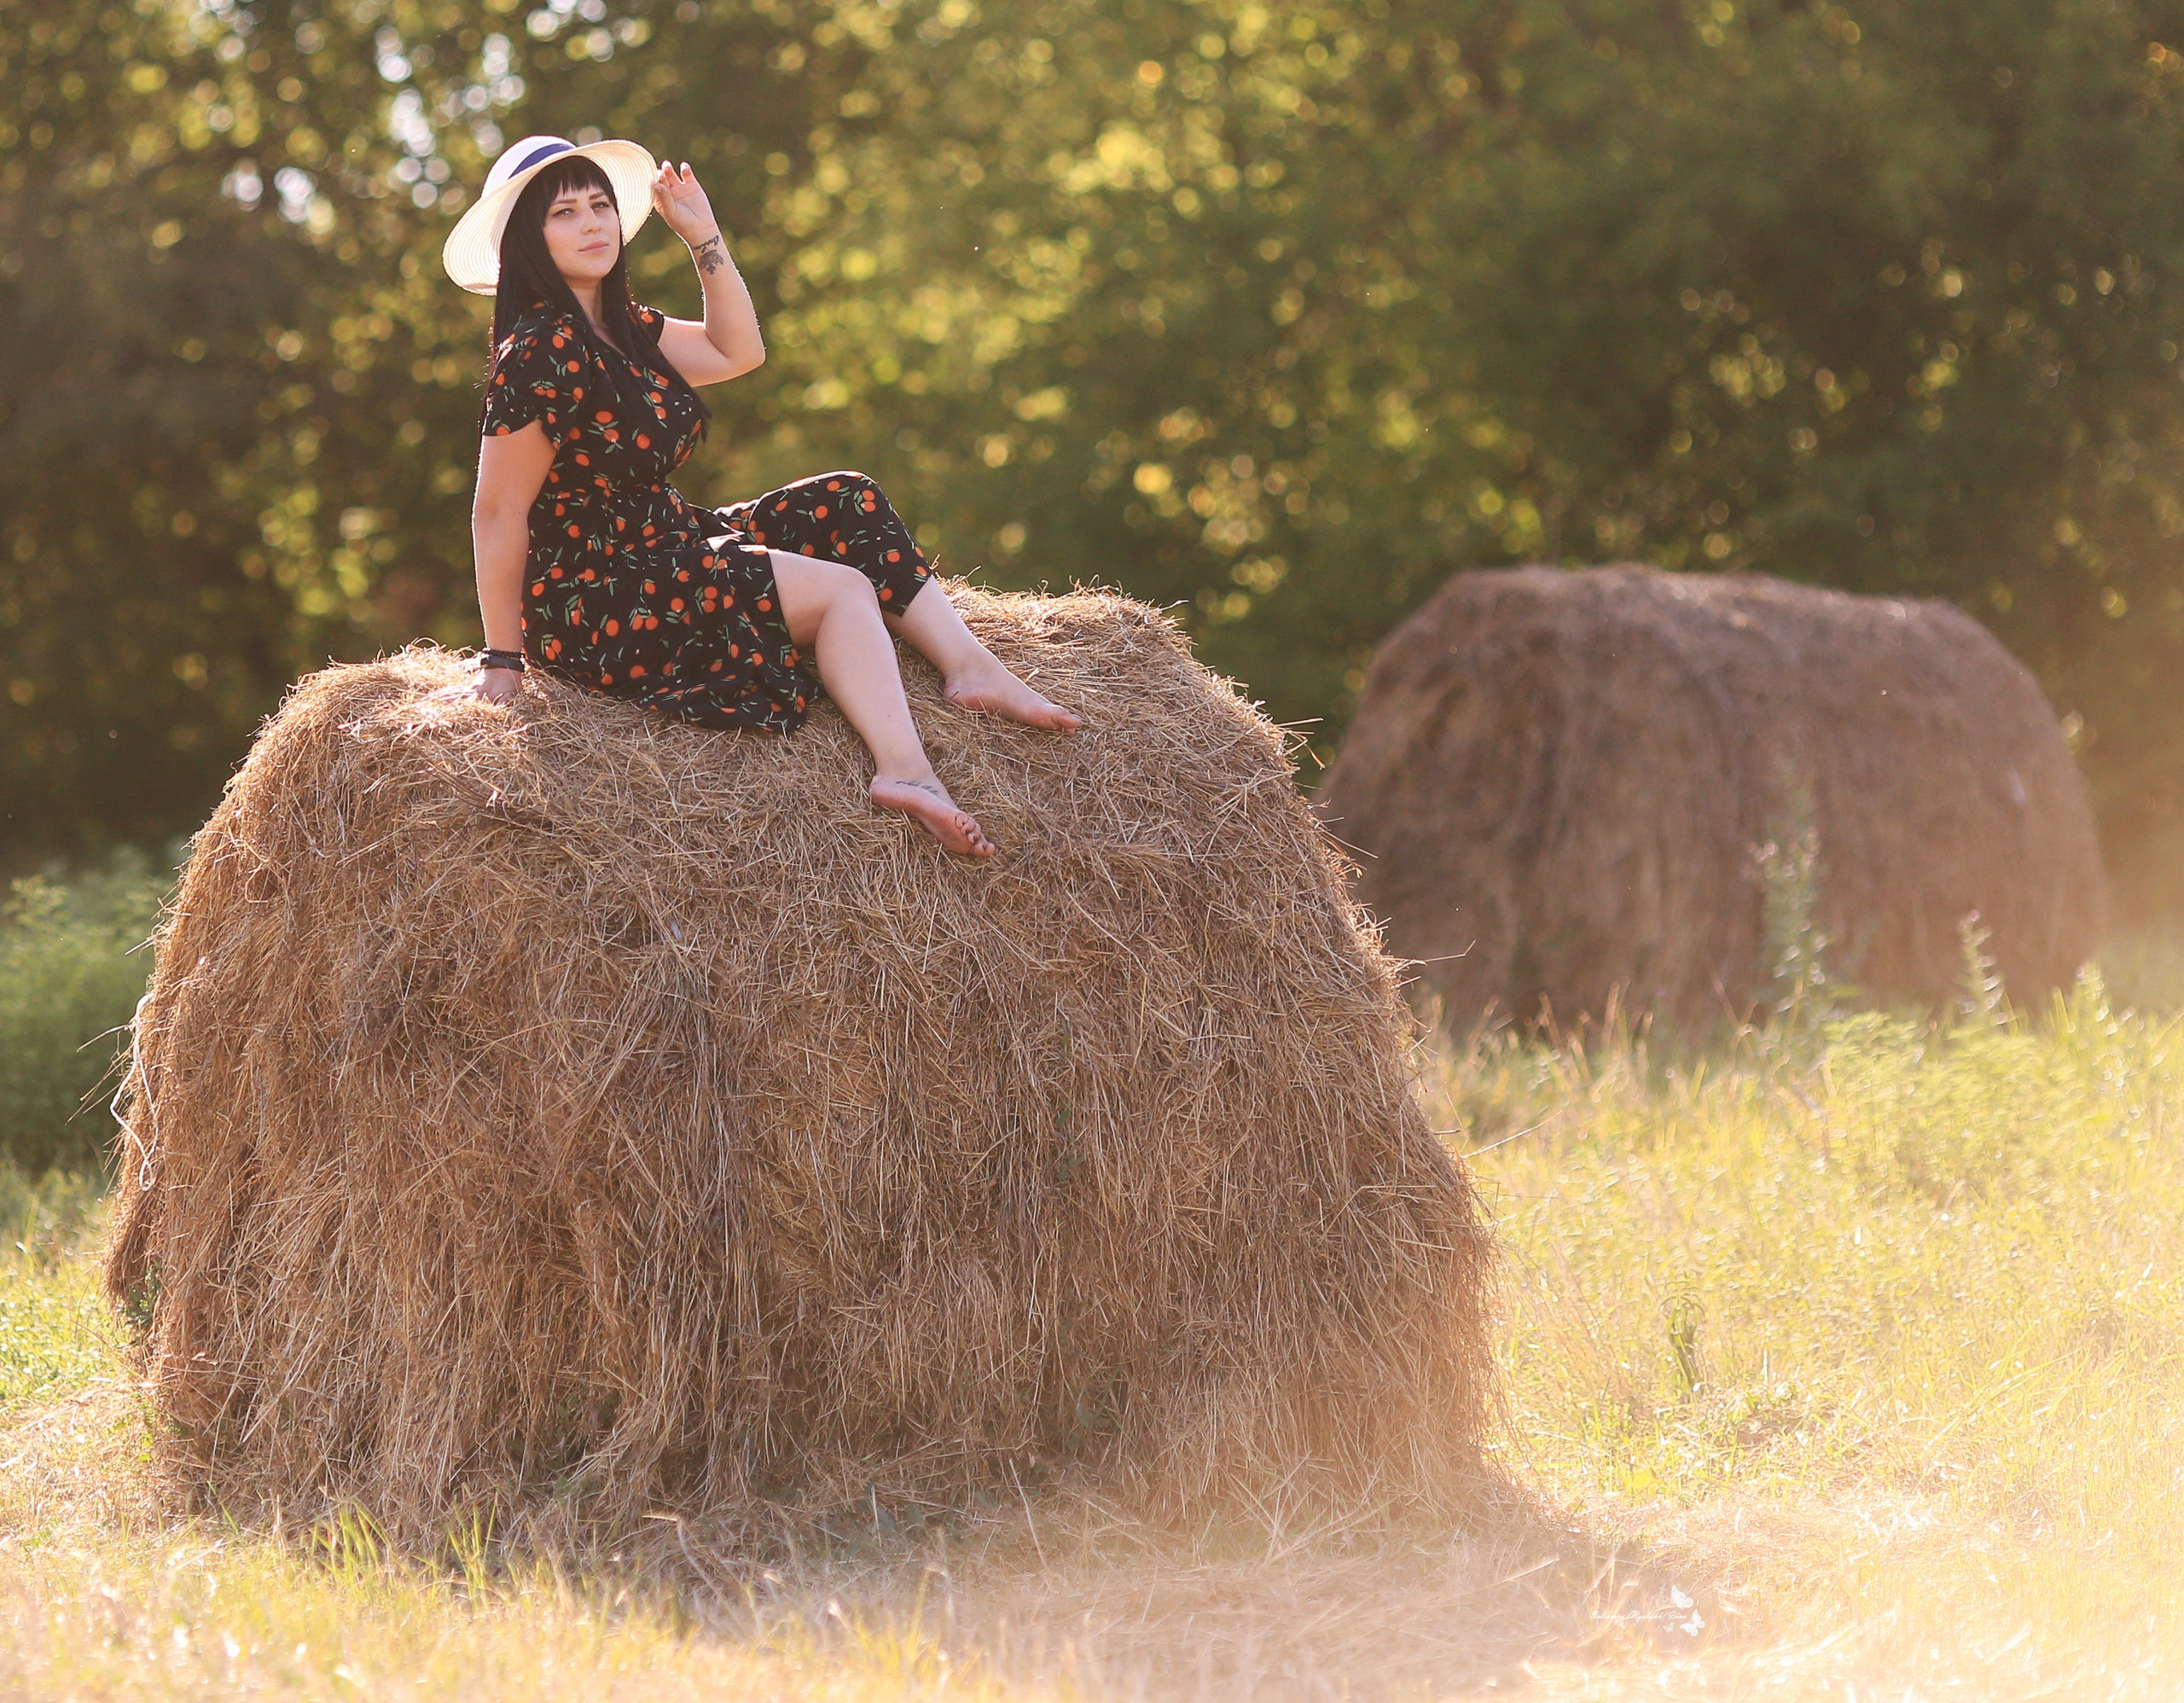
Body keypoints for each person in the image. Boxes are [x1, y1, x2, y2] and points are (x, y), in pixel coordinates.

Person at [435, 135, 1077, 857]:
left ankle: (970, 667)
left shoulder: (622, 329)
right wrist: (502, 659)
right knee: (839, 592)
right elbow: (497, 512)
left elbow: (738, 351)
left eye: (601, 206)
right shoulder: (539, 352)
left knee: (848, 499)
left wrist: (702, 235)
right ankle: (907, 771)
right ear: (527, 239)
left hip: (664, 540)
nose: (593, 224)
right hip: (592, 594)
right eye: (565, 213)